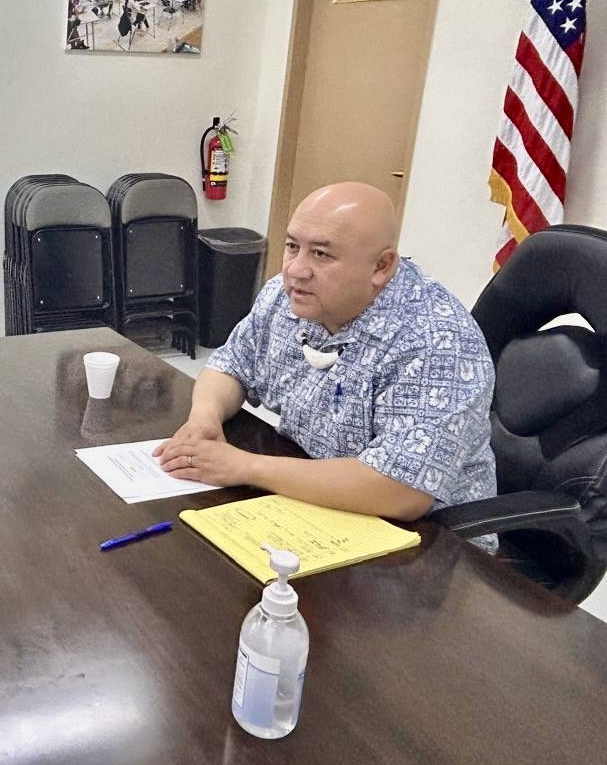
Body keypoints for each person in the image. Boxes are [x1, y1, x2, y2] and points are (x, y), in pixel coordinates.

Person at [155, 182, 496, 525]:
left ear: (381, 266)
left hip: (426, 540)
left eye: (321, 254)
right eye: (292, 246)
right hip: (315, 494)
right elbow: (231, 366)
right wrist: (205, 416)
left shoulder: (436, 340)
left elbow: (401, 490)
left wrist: (244, 466)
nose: (295, 269)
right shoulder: (288, 295)